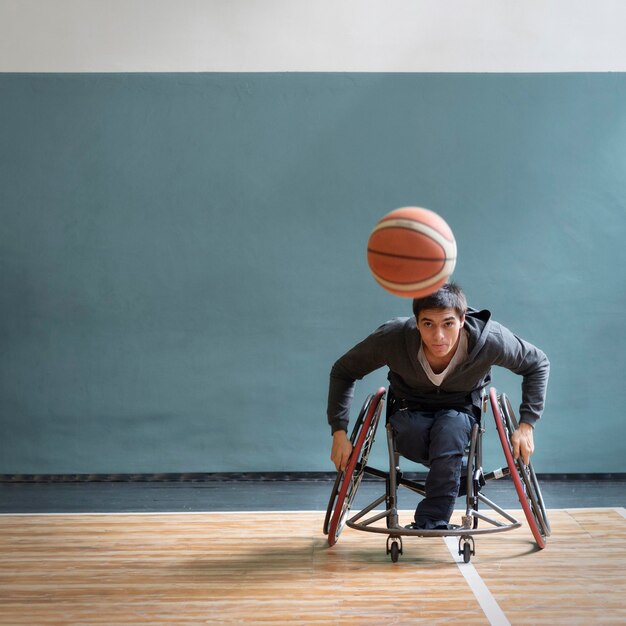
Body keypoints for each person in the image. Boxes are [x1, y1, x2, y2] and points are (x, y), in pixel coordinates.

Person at [327, 283, 549, 530]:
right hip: (408, 407)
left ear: (462, 319)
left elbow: (537, 363)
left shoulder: (490, 340)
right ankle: (457, 473)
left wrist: (527, 424)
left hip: (461, 408)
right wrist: (339, 432)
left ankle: (432, 521)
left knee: (450, 429)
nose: (438, 336)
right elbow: (343, 371)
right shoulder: (393, 338)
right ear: (416, 322)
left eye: (448, 323)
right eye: (428, 324)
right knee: (419, 434)